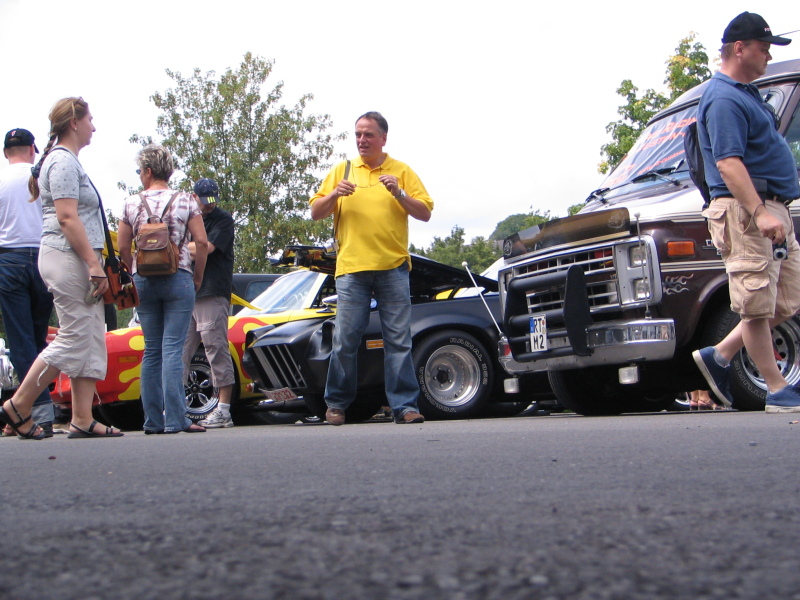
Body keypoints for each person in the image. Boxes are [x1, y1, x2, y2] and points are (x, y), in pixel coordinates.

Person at [692, 12, 800, 413]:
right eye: (764, 48)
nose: (768, 57)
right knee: (755, 303)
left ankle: (719, 356)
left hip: (772, 211)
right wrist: (760, 212)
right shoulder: (722, 98)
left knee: (785, 301)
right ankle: (777, 389)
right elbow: (728, 163)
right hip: (747, 212)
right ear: (740, 48)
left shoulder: (746, 94)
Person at [0, 97, 123, 439]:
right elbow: (67, 218)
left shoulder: (64, 161)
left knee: (90, 336)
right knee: (72, 335)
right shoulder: (63, 162)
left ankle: (82, 418)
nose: (94, 127)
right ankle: (18, 404)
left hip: (73, 257)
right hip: (68, 257)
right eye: (90, 119)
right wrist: (93, 265)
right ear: (73, 122)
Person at [310, 111, 433, 425]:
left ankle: (404, 406)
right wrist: (335, 193)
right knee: (345, 340)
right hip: (352, 269)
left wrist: (399, 192)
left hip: (393, 268)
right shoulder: (343, 170)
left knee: (398, 341)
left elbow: (425, 213)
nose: (362, 140)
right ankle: (336, 405)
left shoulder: (401, 171)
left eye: (368, 135)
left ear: (383, 138)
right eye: (358, 135)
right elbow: (315, 211)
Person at [118, 145, 208, 434]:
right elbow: (202, 242)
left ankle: (153, 420)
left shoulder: (131, 203)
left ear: (147, 171)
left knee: (152, 351)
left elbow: (122, 246)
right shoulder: (185, 200)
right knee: (173, 350)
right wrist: (196, 277)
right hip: (178, 276)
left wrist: (133, 271)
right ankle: (177, 420)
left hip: (143, 279)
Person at [0, 129, 55, 437]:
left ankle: (36, 413)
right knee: (38, 340)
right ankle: (25, 411)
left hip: (9, 258)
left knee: (21, 341)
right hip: (44, 257)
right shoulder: (41, 176)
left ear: (6, 152)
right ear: (33, 148)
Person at [183, 177, 236, 429]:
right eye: (204, 201)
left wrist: (174, 248)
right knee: (180, 351)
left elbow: (208, 248)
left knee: (215, 347)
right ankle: (173, 407)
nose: (208, 205)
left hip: (212, 291)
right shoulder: (188, 220)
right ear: (194, 197)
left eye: (212, 200)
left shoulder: (222, 219)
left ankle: (224, 409)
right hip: (187, 293)